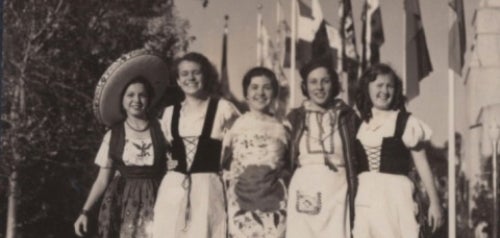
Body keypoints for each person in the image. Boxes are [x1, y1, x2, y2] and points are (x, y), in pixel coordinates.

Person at [74, 49, 170, 238]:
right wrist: (85, 212)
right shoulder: (114, 135)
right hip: (121, 200)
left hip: (158, 197)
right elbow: (103, 179)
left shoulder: (162, 129)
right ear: (122, 100)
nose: (136, 100)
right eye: (130, 95)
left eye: (142, 95)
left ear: (149, 99)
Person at [153, 52, 240, 238]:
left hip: (208, 190)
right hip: (173, 188)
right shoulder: (169, 113)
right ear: (177, 80)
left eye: (196, 72)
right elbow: (166, 153)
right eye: (184, 74)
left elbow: (239, 149)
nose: (190, 78)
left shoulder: (223, 109)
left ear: (205, 76)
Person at [352, 63, 443, 238]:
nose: (384, 91)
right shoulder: (358, 124)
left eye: (389, 86)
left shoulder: (405, 121)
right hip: (365, 198)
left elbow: (422, 163)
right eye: (379, 85)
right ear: (367, 88)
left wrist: (435, 202)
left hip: (396, 199)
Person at [285, 59, 359, 238]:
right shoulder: (295, 118)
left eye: (325, 81)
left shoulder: (348, 116)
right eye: (313, 82)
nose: (319, 87)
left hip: (338, 191)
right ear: (305, 86)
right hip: (304, 189)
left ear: (334, 84)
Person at [222, 67, 288, 238]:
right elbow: (223, 164)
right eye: (254, 87)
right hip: (240, 205)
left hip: (275, 205)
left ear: (274, 93)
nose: (260, 92)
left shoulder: (283, 128)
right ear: (246, 93)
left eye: (267, 87)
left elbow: (290, 165)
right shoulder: (234, 126)